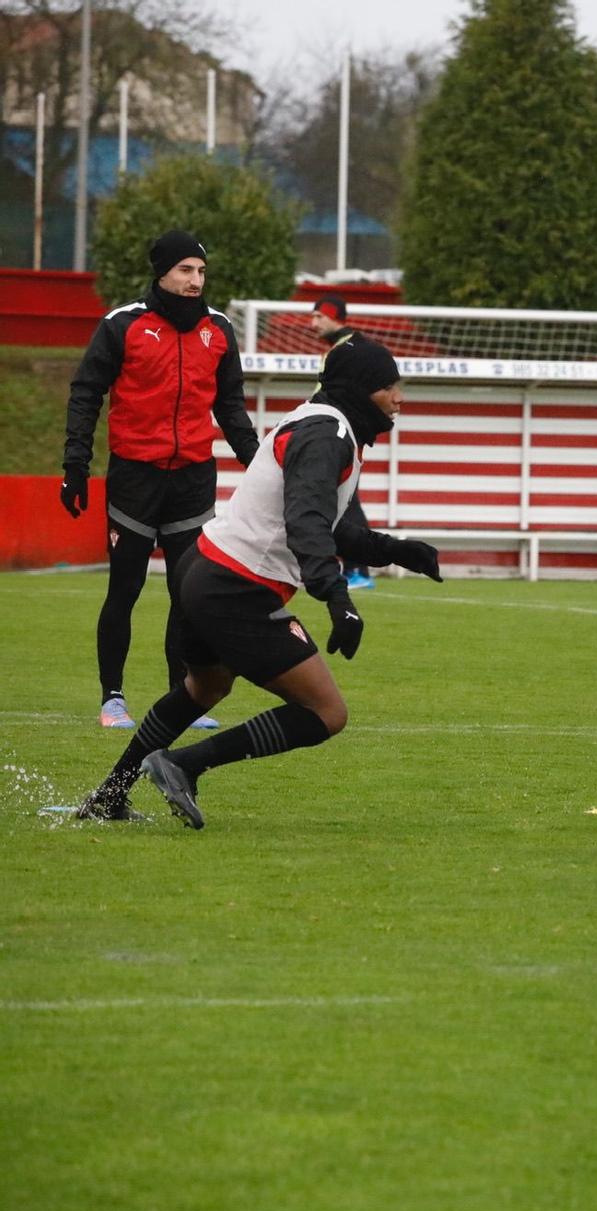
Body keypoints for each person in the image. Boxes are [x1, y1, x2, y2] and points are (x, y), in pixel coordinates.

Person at [72, 334, 444, 826]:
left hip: (204, 568)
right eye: (387, 386)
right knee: (326, 713)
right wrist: (337, 597)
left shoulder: (319, 422)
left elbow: (322, 524)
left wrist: (393, 550)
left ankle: (109, 796)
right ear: (358, 388)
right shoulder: (326, 435)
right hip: (236, 587)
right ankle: (184, 765)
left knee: (204, 689)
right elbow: (306, 524)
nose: (398, 397)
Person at [62, 230, 259, 731]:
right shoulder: (122, 325)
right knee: (124, 589)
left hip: (193, 480)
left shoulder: (219, 331)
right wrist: (75, 466)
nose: (196, 281)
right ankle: (113, 700)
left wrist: (261, 469)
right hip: (134, 480)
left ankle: (182, 699)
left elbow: (231, 407)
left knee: (188, 594)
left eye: (201, 271)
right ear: (163, 272)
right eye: (185, 270)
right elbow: (86, 393)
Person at [310, 294, 373, 592]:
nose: (313, 324)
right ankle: (355, 567)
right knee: (343, 500)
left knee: (346, 501)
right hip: (341, 433)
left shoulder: (344, 349)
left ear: (335, 317)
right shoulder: (347, 347)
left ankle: (358, 568)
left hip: (341, 435)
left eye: (318, 317)